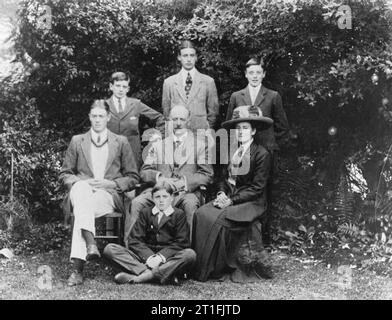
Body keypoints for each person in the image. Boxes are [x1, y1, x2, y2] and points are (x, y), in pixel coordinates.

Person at [60, 100, 139, 286]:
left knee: (81, 210)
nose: (97, 120)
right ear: (89, 117)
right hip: (81, 192)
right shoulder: (77, 141)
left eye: (101, 116)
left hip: (106, 195)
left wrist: (110, 182)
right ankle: (90, 245)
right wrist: (82, 182)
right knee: (81, 190)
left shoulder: (121, 142)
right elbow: (65, 174)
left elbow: (133, 177)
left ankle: (78, 269)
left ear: (108, 117)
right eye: (94, 116)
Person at [192, 105, 274, 282]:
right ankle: (201, 266)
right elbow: (222, 177)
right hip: (230, 196)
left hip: (251, 201)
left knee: (217, 217)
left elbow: (257, 188)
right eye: (239, 129)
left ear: (253, 131)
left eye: (245, 128)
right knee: (201, 213)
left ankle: (214, 268)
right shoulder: (232, 150)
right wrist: (222, 193)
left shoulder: (261, 154)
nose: (241, 132)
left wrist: (231, 200)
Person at [124, 105, 214, 244]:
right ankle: (132, 249)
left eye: (182, 119)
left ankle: (187, 253)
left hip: (185, 193)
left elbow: (207, 174)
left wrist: (184, 182)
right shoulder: (159, 145)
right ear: (169, 122)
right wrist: (160, 178)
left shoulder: (200, 145)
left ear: (188, 121)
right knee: (137, 202)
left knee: (190, 205)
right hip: (158, 191)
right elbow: (144, 171)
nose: (178, 123)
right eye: (174, 119)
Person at [225, 57, 290, 245]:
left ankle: (264, 240)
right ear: (246, 74)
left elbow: (282, 127)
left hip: (265, 154)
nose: (254, 76)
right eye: (251, 72)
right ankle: (241, 237)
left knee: (264, 194)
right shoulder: (237, 96)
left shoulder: (272, 96)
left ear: (263, 74)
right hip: (243, 152)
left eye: (258, 73)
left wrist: (270, 144)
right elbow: (230, 125)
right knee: (241, 190)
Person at [103, 181, 196, 285]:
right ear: (152, 198)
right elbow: (135, 240)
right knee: (110, 249)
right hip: (145, 258)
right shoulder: (145, 213)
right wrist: (149, 257)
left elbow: (181, 242)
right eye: (157, 197)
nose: (161, 200)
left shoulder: (179, 214)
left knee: (189, 254)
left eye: (165, 197)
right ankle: (153, 272)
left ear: (172, 198)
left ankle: (144, 277)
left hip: (168, 258)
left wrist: (160, 257)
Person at [106, 71, 165, 168]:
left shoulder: (136, 104)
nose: (121, 89)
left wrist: (157, 136)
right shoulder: (104, 106)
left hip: (132, 157)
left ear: (128, 89)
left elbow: (160, 118)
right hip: (109, 157)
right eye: (118, 86)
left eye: (124, 87)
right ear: (111, 86)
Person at [162, 40, 219, 132]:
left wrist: (208, 128)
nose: (189, 59)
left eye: (192, 55)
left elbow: (213, 112)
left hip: (200, 134)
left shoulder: (208, 81)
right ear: (179, 57)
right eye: (185, 55)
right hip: (178, 134)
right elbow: (166, 112)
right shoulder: (169, 83)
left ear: (196, 57)